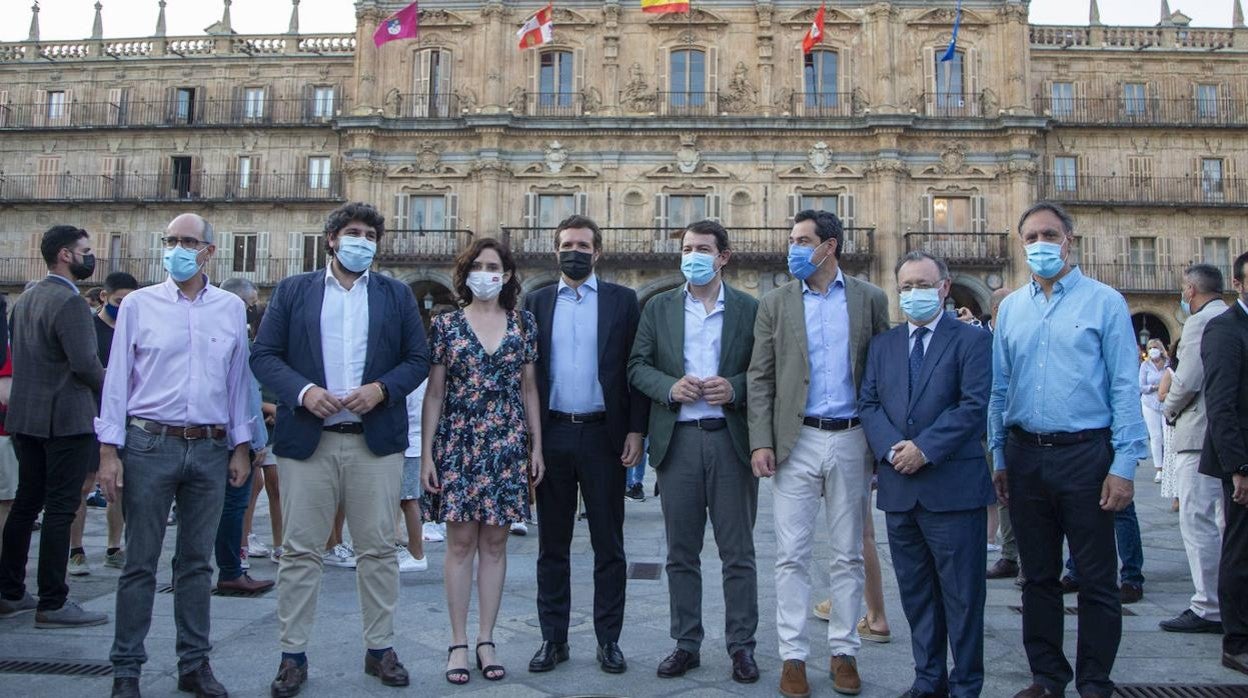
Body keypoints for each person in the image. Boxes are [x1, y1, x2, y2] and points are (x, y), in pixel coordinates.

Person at [251, 202, 428, 697]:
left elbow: (418, 358)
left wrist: (382, 389)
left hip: (375, 443)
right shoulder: (293, 291)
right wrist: (305, 392)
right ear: (331, 239)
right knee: (300, 550)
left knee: (378, 549)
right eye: (352, 232)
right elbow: (264, 355)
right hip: (308, 442)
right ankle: (292, 655)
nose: (362, 241)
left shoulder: (396, 295)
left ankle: (380, 649)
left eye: (370, 234)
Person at [988, 202, 1148, 698]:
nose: (1040, 244)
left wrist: (1124, 465)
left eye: (1049, 234)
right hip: (1025, 454)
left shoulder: (1105, 302)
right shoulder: (1011, 308)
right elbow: (1000, 389)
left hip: (1086, 454)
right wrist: (998, 456)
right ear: (1021, 244)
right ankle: (1048, 677)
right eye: (1031, 236)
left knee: (1098, 577)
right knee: (1037, 577)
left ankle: (1095, 680)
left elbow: (1124, 386)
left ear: (1069, 241)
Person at [95, 213, 253, 698]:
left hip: (209, 445)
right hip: (148, 443)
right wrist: (109, 451)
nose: (178, 248)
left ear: (208, 250)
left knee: (196, 564)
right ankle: (127, 670)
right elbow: (117, 378)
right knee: (140, 561)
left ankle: (194, 665)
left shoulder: (229, 308)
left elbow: (237, 381)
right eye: (171, 240)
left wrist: (241, 446)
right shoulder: (139, 305)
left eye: (188, 241)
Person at [747, 209, 890, 698]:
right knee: (791, 554)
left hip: (853, 438)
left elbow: (880, 374)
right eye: (791, 239)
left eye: (802, 240)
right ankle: (793, 657)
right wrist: (761, 441)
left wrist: (881, 444)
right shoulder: (775, 303)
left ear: (829, 246)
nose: (793, 248)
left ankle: (844, 650)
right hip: (796, 439)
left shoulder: (870, 299)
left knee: (848, 552)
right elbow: (760, 376)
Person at [628, 220, 760, 683]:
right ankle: (686, 643)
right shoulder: (659, 308)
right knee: (680, 553)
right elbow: (637, 367)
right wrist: (669, 387)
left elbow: (766, 372)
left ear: (723, 256)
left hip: (730, 440)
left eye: (703, 249)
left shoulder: (749, 309)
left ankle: (742, 647)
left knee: (737, 552)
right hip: (677, 441)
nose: (693, 256)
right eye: (687, 248)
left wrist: (735, 387)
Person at [859, 251, 994, 698]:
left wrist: (925, 449)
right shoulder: (883, 345)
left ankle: (965, 685)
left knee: (962, 597)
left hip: (952, 488)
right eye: (905, 286)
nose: (913, 293)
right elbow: (870, 404)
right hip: (900, 489)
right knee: (917, 595)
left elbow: (974, 406)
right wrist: (892, 448)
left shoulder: (971, 341)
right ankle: (928, 679)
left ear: (944, 286)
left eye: (922, 284)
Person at [522, 215, 647, 676]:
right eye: (566, 244)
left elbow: (634, 370)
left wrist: (636, 430)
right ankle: (552, 639)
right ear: (556, 251)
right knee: (551, 545)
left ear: (597, 252)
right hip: (551, 434)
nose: (573, 251)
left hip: (603, 435)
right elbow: (527, 376)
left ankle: (608, 640)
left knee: (608, 545)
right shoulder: (534, 303)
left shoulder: (623, 301)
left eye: (582, 244)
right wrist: (529, 441)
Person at [421, 237, 544, 685]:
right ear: (466, 272)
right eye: (478, 265)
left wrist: (536, 446)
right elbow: (435, 392)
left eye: (494, 266)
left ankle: (486, 639)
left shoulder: (524, 324)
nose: (486, 272)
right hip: (458, 442)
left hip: (507, 441)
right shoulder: (446, 325)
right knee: (459, 545)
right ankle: (457, 642)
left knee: (494, 545)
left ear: (507, 275)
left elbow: (530, 389)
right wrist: (427, 455)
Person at [0, 225, 107, 630]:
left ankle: (10, 590)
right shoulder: (71, 303)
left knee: (27, 505)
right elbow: (84, 364)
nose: (90, 256)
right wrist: (117, 387)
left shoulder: (26, 299)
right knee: (62, 507)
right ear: (65, 254)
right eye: (85, 250)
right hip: (65, 419)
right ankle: (53, 600)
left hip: (26, 417)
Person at [1161, 264, 1228, 634]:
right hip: (1224, 436)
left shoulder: (1201, 323)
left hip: (1199, 433)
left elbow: (1187, 378)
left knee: (1198, 519)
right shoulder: (1232, 317)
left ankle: (1209, 606)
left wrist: (1168, 408)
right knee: (1222, 521)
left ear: (1190, 290)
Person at [68, 271, 138, 577]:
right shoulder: (88, 328)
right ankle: (76, 550)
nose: (123, 307)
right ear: (103, 298)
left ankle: (113, 547)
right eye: (119, 301)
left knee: (119, 486)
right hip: (89, 413)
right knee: (83, 485)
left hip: (124, 416)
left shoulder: (135, 329)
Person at [1199, 251, 1248, 675]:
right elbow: (1221, 403)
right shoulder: (1225, 329)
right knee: (1240, 550)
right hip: (1244, 460)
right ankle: (1237, 641)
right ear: (1239, 283)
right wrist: (1239, 467)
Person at [213, 277, 275, 595]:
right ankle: (231, 571)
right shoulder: (236, 340)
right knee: (234, 505)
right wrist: (257, 439)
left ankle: (188, 571)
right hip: (233, 437)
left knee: (204, 507)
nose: (253, 310)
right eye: (251, 305)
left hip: (212, 435)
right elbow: (246, 393)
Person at [979, 288, 1022, 583]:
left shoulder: (1022, 336)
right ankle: (1008, 555)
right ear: (996, 311)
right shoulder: (979, 341)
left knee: (1023, 496)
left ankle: (1023, 557)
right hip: (986, 429)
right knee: (998, 493)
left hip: (1019, 427)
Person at [398, 380, 428, 573]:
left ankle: (417, 553)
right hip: (411, 442)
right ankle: (411, 549)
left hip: (411, 445)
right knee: (406, 500)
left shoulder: (417, 382)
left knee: (409, 500)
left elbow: (414, 415)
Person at [1141, 338, 1169, 483]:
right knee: (1156, 436)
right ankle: (1159, 469)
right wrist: (1155, 387)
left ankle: (1169, 466)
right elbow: (1141, 386)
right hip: (1149, 403)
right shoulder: (1145, 365)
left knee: (1167, 435)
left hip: (1166, 403)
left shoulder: (1168, 364)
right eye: (1150, 347)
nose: (1152, 350)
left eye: (1155, 347)